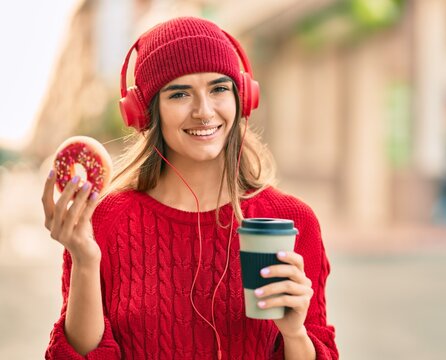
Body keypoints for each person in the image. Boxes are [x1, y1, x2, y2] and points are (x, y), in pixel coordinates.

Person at [42, 17, 338, 359]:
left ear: (243, 97)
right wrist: (85, 260)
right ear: (145, 113)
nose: (204, 111)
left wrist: (294, 333)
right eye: (179, 94)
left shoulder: (290, 219)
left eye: (219, 89)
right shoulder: (106, 220)